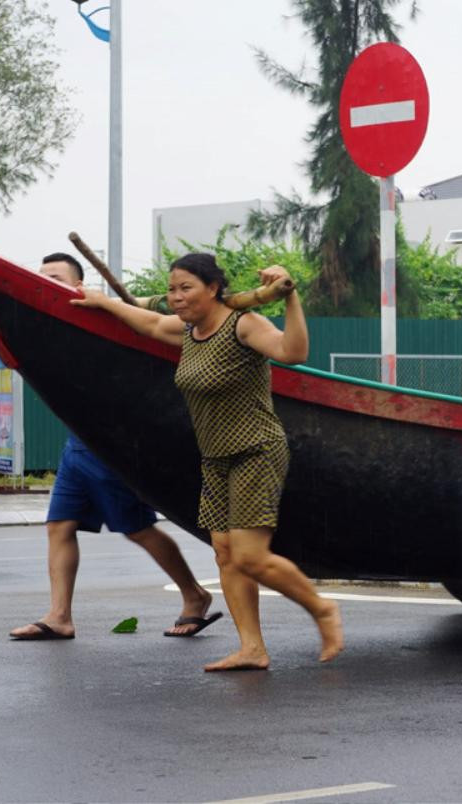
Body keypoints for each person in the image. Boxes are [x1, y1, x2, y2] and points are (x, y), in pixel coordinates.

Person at [72, 253, 343, 671]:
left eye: (186, 288)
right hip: (215, 458)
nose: (176, 298)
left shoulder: (243, 324)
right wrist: (101, 301)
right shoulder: (188, 332)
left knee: (250, 557)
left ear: (213, 288)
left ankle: (322, 609)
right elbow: (145, 322)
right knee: (225, 555)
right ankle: (252, 648)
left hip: (255, 451)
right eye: (172, 289)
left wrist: (291, 298)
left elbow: (293, 352)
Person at [11, 253, 219, 641]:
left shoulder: (108, 316)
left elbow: (158, 329)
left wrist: (113, 306)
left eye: (54, 276)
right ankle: (59, 616)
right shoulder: (53, 323)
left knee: (137, 528)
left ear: (77, 285)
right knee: (59, 525)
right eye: (39, 276)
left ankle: (194, 595)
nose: (43, 281)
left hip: (114, 441)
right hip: (79, 440)